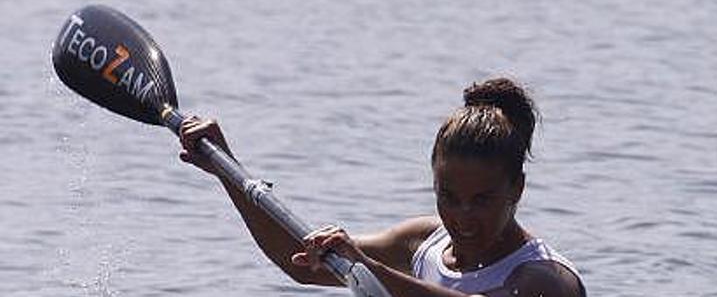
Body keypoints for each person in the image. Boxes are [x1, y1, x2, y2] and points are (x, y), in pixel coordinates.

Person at [179, 77, 587, 297]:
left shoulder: (545, 280)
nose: (463, 217)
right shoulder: (421, 244)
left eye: (481, 200)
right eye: (449, 196)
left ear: (517, 189)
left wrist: (369, 270)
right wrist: (228, 171)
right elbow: (298, 262)